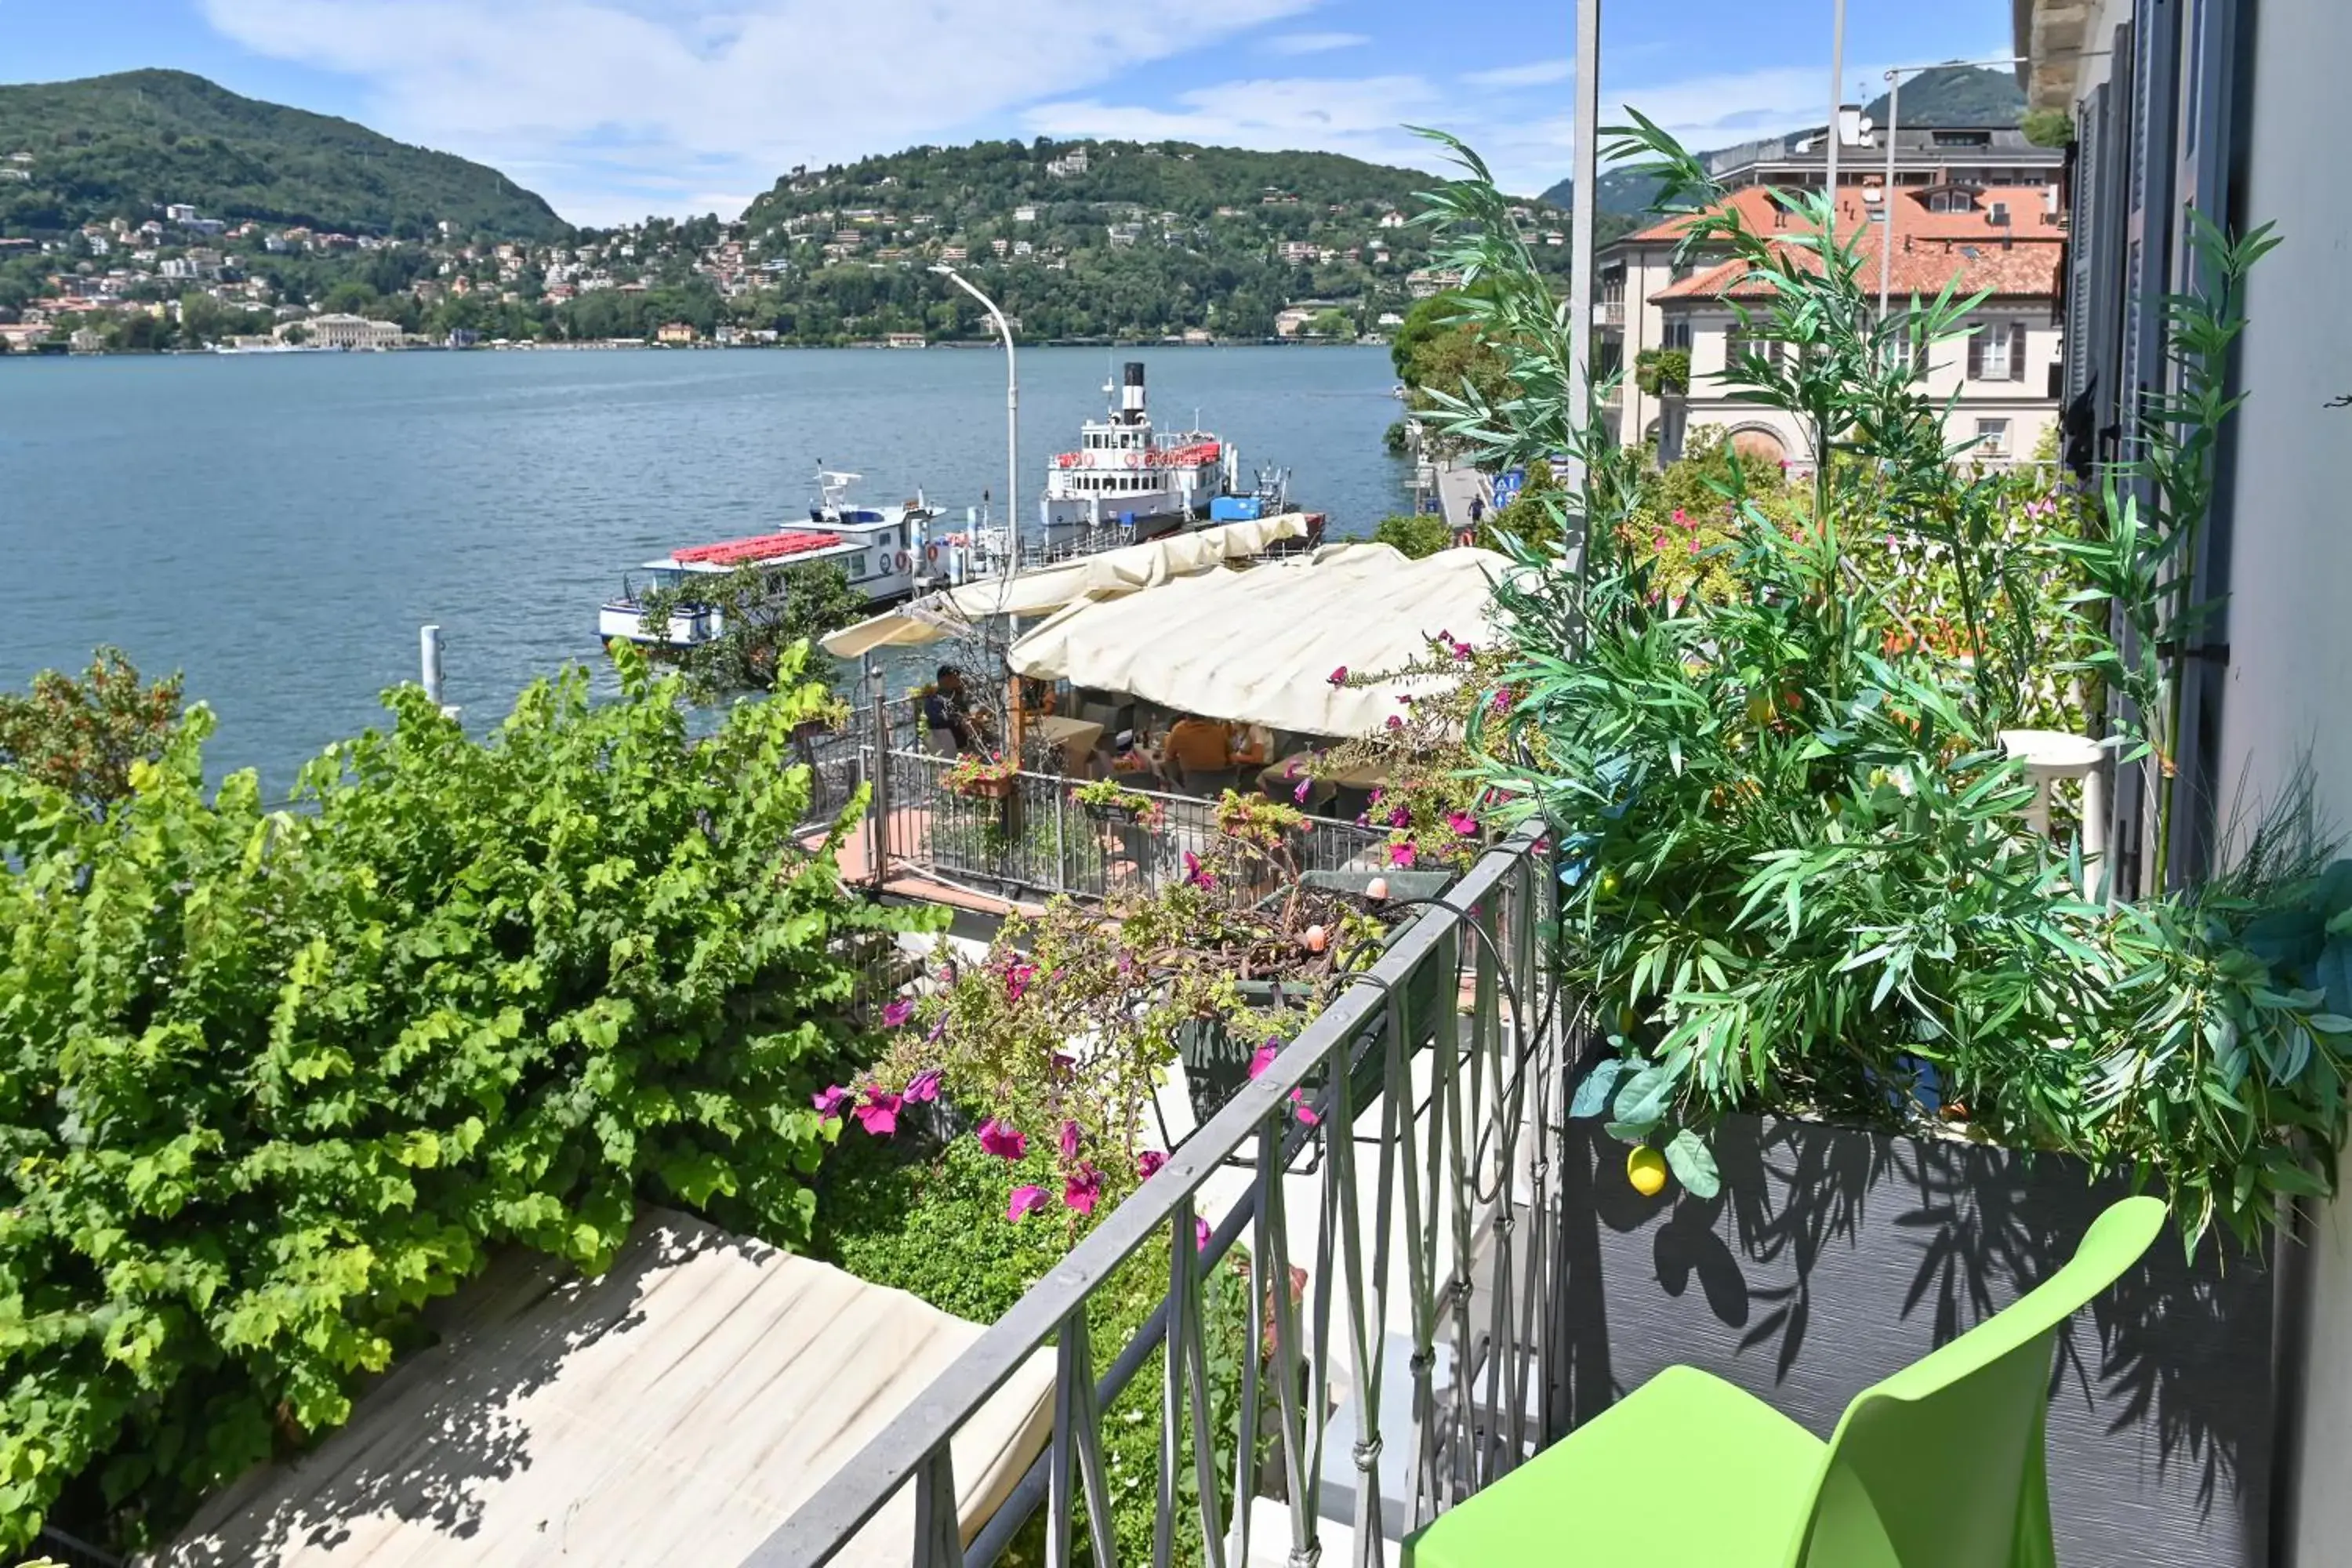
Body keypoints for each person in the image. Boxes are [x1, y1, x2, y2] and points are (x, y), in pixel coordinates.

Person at [922, 666, 978, 757]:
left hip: (959, 739)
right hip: (951, 742)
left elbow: (965, 713)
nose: (959, 681)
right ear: (946, 679)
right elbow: (941, 721)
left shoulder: (954, 695)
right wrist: (962, 720)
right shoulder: (934, 700)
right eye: (956, 677)